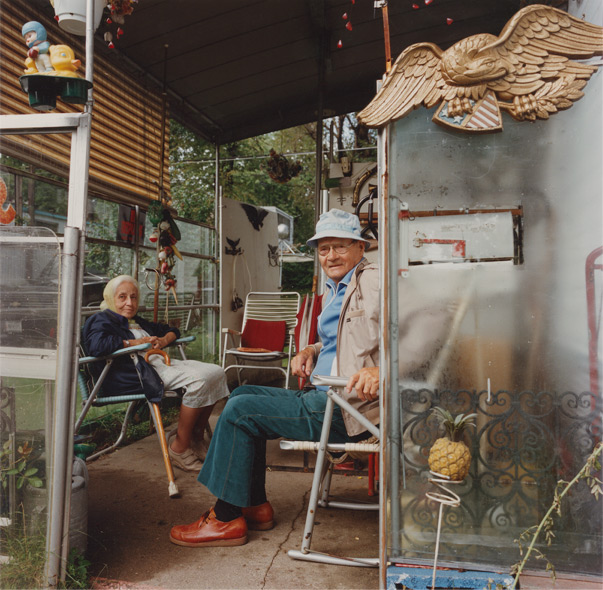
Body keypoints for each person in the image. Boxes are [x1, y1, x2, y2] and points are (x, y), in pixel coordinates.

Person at [169, 209, 380, 547]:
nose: (330, 256)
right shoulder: (338, 286)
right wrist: (310, 350)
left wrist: (382, 371)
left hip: (345, 409)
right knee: (241, 395)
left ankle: (225, 517)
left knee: (240, 412)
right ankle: (254, 505)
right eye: (324, 249)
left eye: (339, 246)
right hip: (324, 397)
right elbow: (342, 340)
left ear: (360, 247)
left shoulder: (373, 281)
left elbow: (424, 337)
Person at [82, 275, 229, 472]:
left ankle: (196, 436)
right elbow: (96, 345)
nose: (129, 303)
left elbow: (171, 330)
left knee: (217, 373)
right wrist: (133, 343)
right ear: (110, 298)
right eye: (122, 297)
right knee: (199, 381)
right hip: (134, 374)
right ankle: (179, 448)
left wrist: (163, 340)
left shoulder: (136, 321)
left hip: (159, 365)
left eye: (134, 297)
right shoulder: (101, 320)